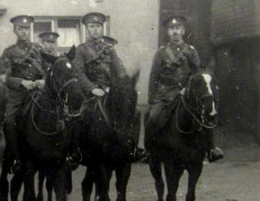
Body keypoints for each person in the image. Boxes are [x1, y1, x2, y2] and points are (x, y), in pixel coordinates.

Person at [145, 15, 223, 163]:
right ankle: (150, 151)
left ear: (183, 31)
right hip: (166, 95)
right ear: (168, 32)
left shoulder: (191, 51)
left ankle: (211, 149)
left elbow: (197, 75)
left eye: (178, 28)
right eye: (172, 29)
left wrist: (187, 89)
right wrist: (152, 99)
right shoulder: (161, 53)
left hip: (186, 93)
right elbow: (154, 76)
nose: (175, 32)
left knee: (205, 113)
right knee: (152, 116)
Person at [0, 15, 46, 170]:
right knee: (7, 120)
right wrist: (21, 82)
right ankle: (15, 157)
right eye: (21, 29)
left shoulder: (39, 50)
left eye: (26, 29)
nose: (24, 32)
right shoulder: (9, 52)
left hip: (38, 92)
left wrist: (43, 81)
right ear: (15, 30)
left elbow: (47, 71)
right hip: (17, 94)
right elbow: (4, 77)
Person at [72, 12, 126, 98]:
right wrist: (92, 89)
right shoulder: (80, 49)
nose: (95, 29)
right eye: (92, 26)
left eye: (98, 26)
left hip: (110, 90)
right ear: (87, 29)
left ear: (102, 29)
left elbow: (120, 69)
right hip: (89, 92)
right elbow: (78, 73)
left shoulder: (110, 49)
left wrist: (116, 87)